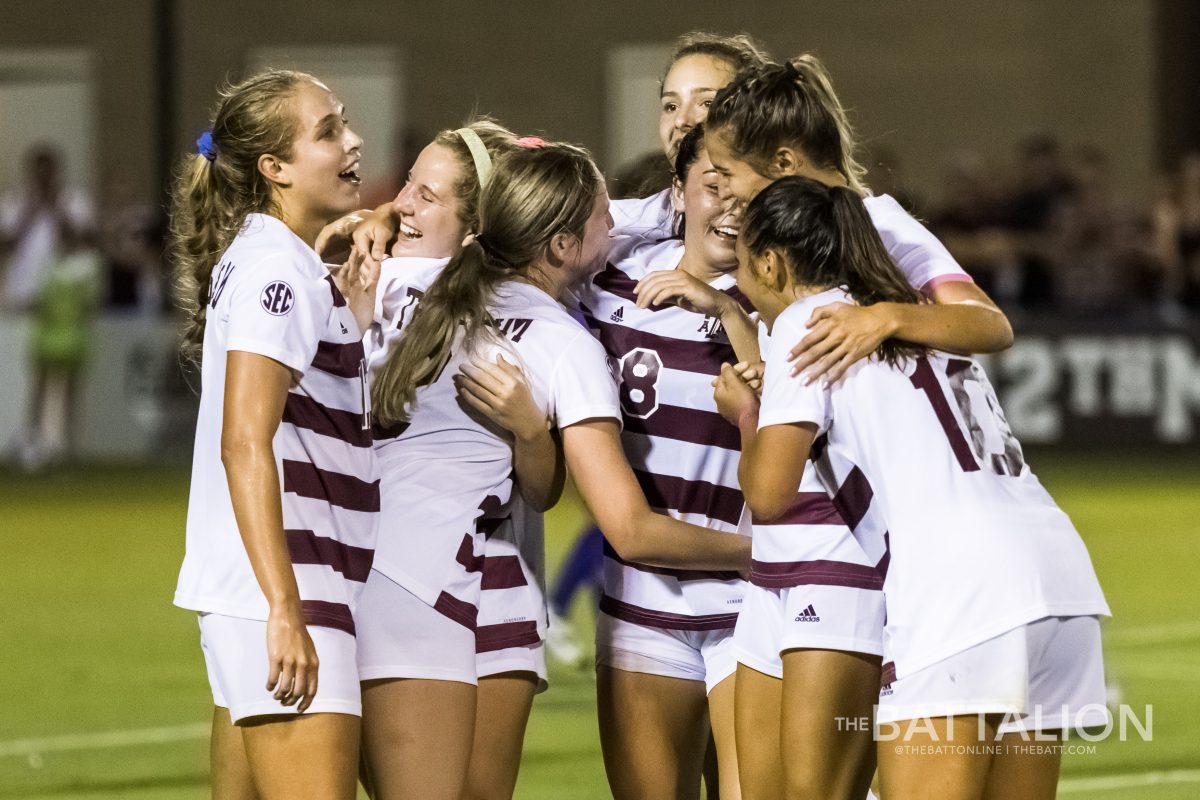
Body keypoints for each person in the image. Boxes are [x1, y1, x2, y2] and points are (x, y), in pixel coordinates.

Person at [358, 141, 751, 800]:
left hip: (353, 578)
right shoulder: (564, 344)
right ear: (564, 246)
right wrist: (768, 552)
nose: (618, 225)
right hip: (463, 586)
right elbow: (621, 526)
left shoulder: (405, 285)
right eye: (604, 216)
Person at [715, 176, 1110, 800]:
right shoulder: (912, 318)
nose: (738, 281)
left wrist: (745, 413)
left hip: (960, 592)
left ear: (771, 261)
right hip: (1059, 582)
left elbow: (768, 496)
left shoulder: (805, 323)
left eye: (740, 264)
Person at [700, 55, 1017, 799]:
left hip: (846, 555)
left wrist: (886, 315)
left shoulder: (880, 225)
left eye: (731, 174)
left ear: (782, 162)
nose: (726, 195)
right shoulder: (783, 246)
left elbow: (989, 325)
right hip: (779, 556)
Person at [329, 118, 560, 800]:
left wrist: (532, 432)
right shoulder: (359, 279)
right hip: (389, 576)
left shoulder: (517, 312)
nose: (401, 202)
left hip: (488, 578)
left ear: (473, 225)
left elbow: (542, 488)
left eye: (426, 195)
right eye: (407, 185)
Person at [170, 70, 375, 800]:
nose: (353, 141)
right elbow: (243, 442)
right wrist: (285, 610)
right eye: (328, 131)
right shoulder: (272, 271)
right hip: (282, 587)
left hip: (268, 586)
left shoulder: (281, 259)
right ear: (273, 168)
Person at [578, 125, 757, 800]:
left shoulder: (792, 300)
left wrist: (725, 312)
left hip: (757, 600)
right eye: (713, 186)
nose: (730, 205)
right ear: (677, 193)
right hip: (641, 604)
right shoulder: (608, 286)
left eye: (744, 188)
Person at [611, 31, 769, 238]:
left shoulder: (786, 226)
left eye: (707, 103)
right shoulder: (616, 227)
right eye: (671, 106)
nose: (681, 121)